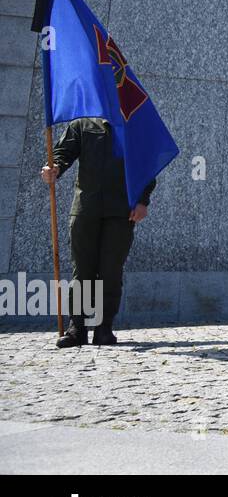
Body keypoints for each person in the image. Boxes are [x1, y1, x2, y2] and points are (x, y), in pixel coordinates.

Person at [43, 118, 157, 347]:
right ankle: (77, 328)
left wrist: (143, 201)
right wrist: (54, 167)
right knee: (82, 270)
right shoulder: (82, 125)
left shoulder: (134, 125)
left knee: (110, 271)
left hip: (121, 211)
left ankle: (104, 328)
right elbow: (63, 152)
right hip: (86, 209)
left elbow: (146, 165)